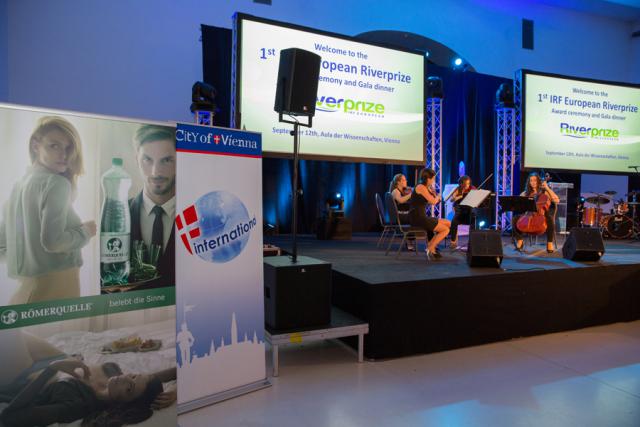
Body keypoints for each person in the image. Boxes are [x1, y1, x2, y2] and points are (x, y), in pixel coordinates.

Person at [0, 116, 96, 304]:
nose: (64, 155)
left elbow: (2, 247)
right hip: (58, 287)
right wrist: (86, 232)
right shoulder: (57, 183)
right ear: (36, 146)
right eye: (54, 146)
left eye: (68, 148)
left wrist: (31, 256)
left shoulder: (17, 186)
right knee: (65, 334)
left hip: (25, 290)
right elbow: (53, 242)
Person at [0, 331, 176, 427]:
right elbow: (168, 374)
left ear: (123, 403)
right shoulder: (122, 380)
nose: (123, 378)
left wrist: (51, 369)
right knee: (14, 327)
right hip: (63, 358)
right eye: (132, 375)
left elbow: (10, 417)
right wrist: (177, 390)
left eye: (128, 388)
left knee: (7, 326)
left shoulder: (77, 405)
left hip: (25, 376)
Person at [129, 125, 176, 288]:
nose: (156, 172)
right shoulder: (118, 215)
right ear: (137, 160)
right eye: (147, 160)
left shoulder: (199, 216)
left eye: (167, 160)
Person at [409, 168, 451, 259]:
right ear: (428, 178)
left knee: (448, 223)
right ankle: (431, 248)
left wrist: (434, 195)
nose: (433, 181)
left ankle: (431, 246)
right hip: (418, 218)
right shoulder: (421, 187)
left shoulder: (425, 187)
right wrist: (438, 197)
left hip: (422, 216)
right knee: (445, 230)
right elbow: (433, 202)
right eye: (433, 179)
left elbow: (427, 202)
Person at [513, 172, 560, 253]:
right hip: (529, 215)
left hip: (541, 216)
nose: (533, 182)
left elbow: (557, 200)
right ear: (529, 182)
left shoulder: (544, 192)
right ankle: (520, 241)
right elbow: (519, 204)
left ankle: (549, 243)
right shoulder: (525, 193)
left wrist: (547, 188)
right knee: (515, 219)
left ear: (538, 181)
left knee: (549, 217)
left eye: (535, 180)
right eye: (531, 180)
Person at [388, 174, 416, 250]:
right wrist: (411, 194)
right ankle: (410, 241)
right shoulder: (395, 191)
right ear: (398, 182)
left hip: (401, 215)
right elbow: (400, 200)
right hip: (399, 217)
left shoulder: (401, 191)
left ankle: (410, 240)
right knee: (416, 219)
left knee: (416, 216)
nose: (406, 181)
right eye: (404, 180)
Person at [448, 175, 474, 249]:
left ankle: (472, 241)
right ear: (461, 184)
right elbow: (451, 199)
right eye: (465, 184)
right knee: (454, 222)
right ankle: (453, 242)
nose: (467, 186)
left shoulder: (472, 189)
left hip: (469, 210)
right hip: (459, 211)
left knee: (473, 220)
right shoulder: (458, 189)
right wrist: (460, 196)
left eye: (468, 184)